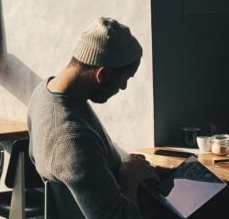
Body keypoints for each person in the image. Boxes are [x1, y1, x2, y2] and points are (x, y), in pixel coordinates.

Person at [27, 17, 158, 219]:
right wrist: (129, 176)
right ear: (102, 75)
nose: (122, 87)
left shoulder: (43, 93)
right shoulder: (72, 138)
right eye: (125, 79)